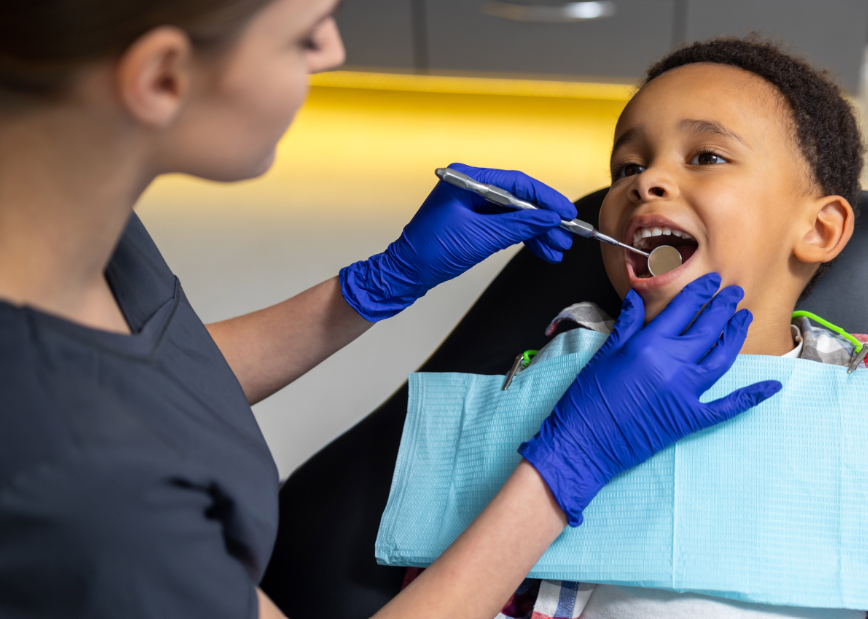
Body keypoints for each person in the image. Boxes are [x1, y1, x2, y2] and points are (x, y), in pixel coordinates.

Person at [0, 2, 779, 618]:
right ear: (163, 75)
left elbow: (121, 375)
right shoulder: (85, 498)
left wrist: (374, 286)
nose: (334, 49)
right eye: (304, 35)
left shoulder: (59, 222)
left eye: (706, 156)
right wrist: (565, 471)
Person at [440, 37, 862, 618]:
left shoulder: (856, 396)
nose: (646, 181)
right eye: (627, 167)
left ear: (819, 230)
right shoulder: (553, 378)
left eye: (706, 156)